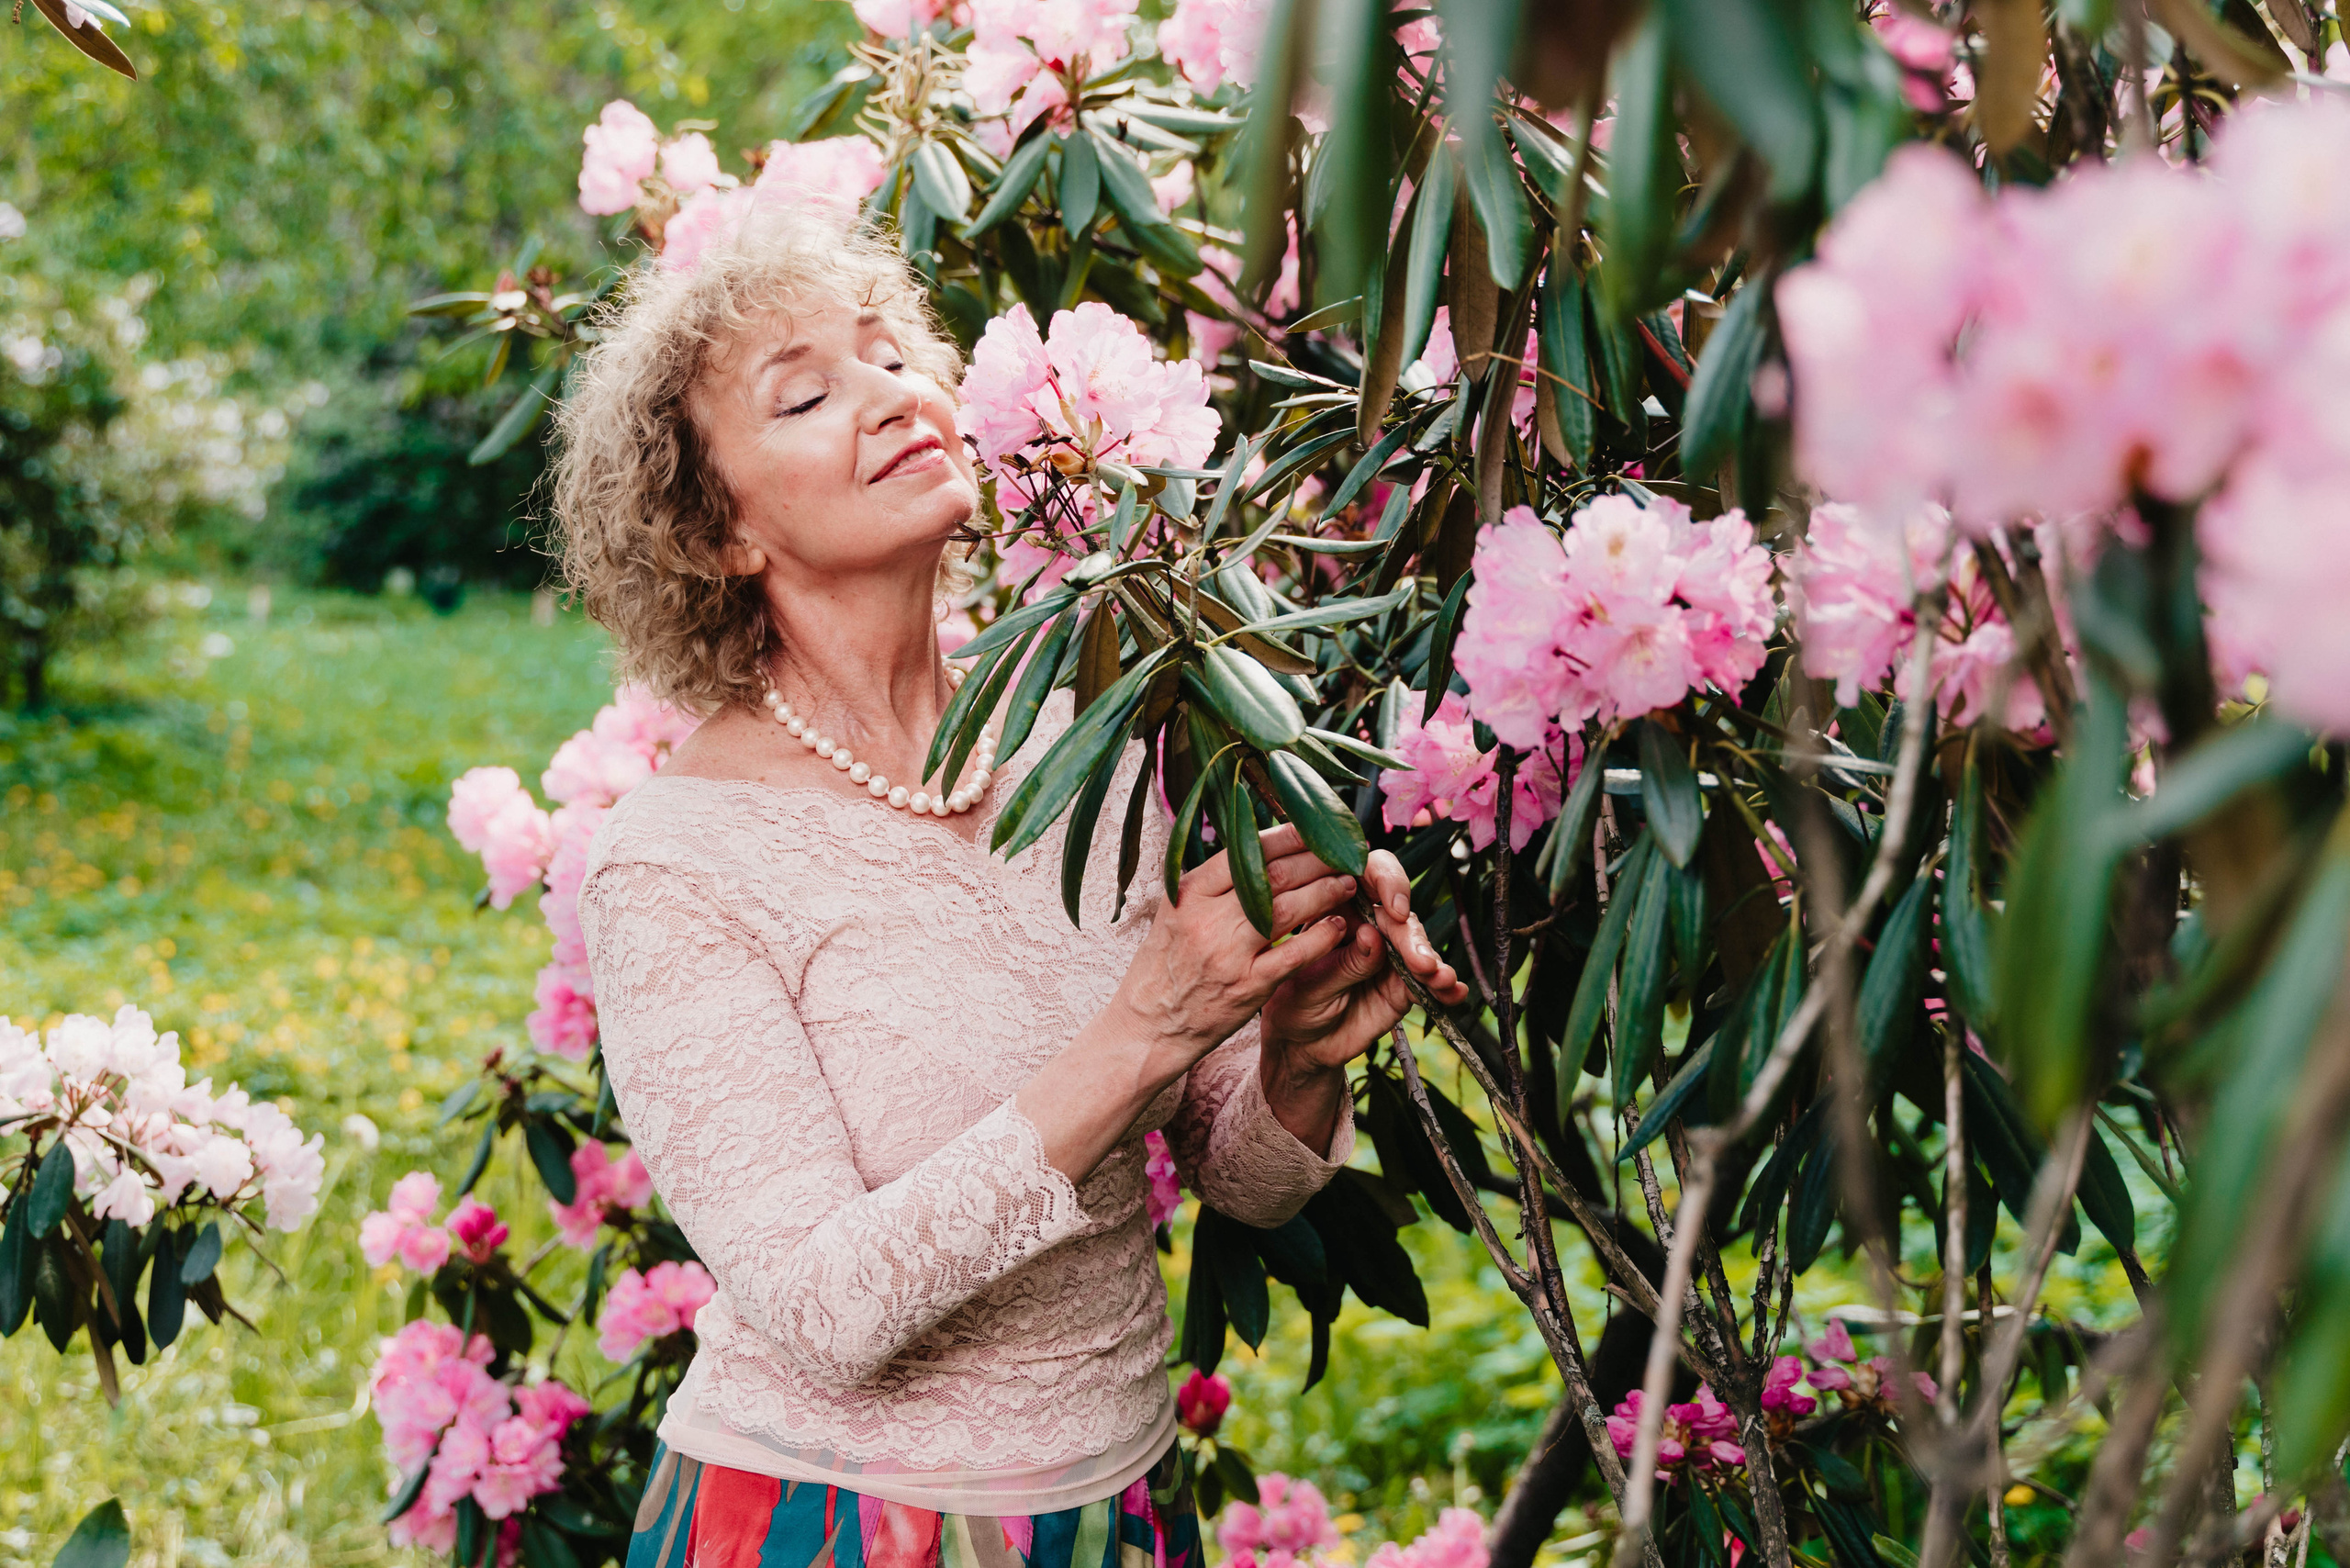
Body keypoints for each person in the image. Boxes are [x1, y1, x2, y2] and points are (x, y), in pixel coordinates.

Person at [556, 209, 1466, 1568]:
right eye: (805, 394)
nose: (886, 396)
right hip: (832, 1522)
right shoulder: (676, 862)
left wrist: (1296, 1043)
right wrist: (1147, 1026)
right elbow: (825, 1305)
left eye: (889, 357)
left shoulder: (1067, 738)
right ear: (718, 534)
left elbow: (1245, 1176)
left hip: (1121, 1506)